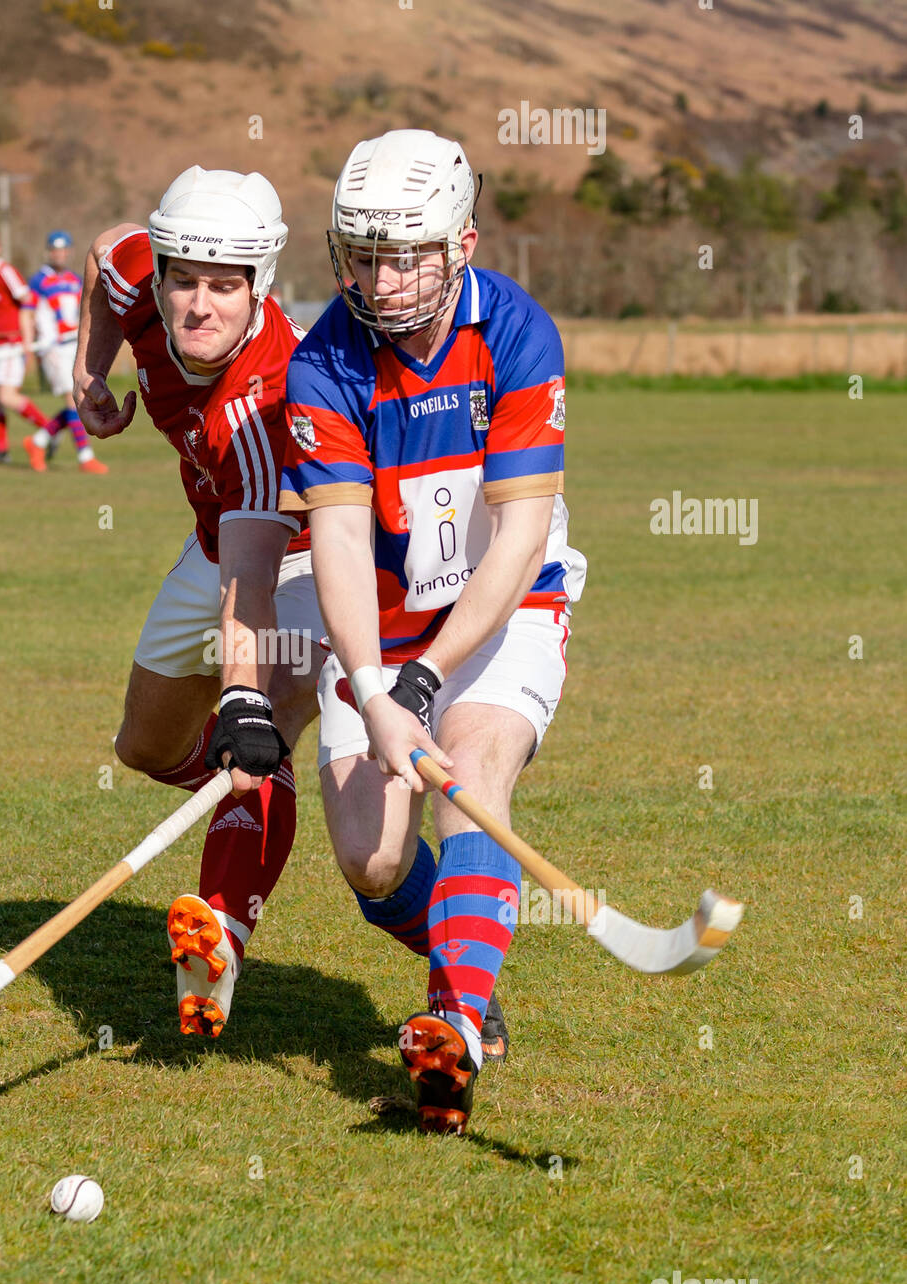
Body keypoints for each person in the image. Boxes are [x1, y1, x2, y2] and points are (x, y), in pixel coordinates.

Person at [279, 129, 586, 1134]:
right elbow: (333, 537)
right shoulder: (324, 359)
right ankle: (465, 960)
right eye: (363, 253)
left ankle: (449, 1025)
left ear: (460, 243)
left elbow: (518, 535)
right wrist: (373, 687)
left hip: (503, 607)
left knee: (474, 774)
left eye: (404, 252)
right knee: (372, 862)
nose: (383, 276)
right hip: (376, 622)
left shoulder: (515, 330)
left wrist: (428, 683)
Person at [74, 167, 322, 1037]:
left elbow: (254, 578)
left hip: (295, 553)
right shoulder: (138, 273)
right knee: (143, 747)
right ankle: (256, 786)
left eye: (226, 286)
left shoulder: (264, 393)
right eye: (185, 280)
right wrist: (90, 377)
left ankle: (226, 910)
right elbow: (106, 259)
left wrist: (245, 702)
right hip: (214, 537)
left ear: (261, 284)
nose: (200, 305)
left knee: (260, 716)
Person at [0, 230, 57, 464]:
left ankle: (50, 429)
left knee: (7, 396)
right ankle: (1, 451)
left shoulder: (5, 271)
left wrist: (28, 340)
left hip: (12, 345)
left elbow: (27, 301)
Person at [29, 231, 105, 473]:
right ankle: (85, 457)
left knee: (77, 401)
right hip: (53, 349)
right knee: (73, 401)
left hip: (73, 345)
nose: (59, 254)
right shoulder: (38, 281)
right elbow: (27, 314)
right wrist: (30, 344)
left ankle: (38, 441)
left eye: (63, 250)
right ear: (48, 252)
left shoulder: (75, 279)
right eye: (54, 250)